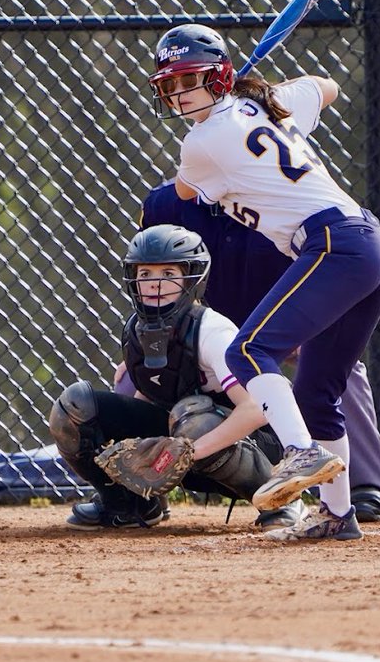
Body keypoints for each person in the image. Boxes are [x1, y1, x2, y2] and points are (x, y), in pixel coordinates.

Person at [148, 23, 380, 541]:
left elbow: (185, 192)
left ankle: (301, 452)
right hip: (370, 244)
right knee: (318, 391)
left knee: (246, 353)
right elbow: (326, 86)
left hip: (332, 242)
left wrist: (247, 104)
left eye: (191, 80)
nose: (180, 95)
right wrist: (265, 98)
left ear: (219, 78)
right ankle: (336, 515)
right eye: (170, 86)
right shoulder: (273, 106)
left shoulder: (201, 142)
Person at [134, 181, 380, 523]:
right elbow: (148, 275)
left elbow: (336, 268)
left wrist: (321, 316)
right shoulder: (169, 201)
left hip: (295, 316)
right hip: (207, 327)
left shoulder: (284, 193)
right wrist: (146, 344)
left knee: (334, 368)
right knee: (137, 373)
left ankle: (362, 484)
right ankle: (136, 495)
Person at [48, 223, 307, 531]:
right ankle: (131, 504)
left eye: (168, 275)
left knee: (193, 415)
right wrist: (141, 459)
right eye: (145, 275)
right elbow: (151, 399)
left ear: (191, 279)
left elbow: (256, 409)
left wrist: (185, 453)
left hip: (259, 448)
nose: (155, 285)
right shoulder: (136, 329)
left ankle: (281, 498)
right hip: (189, 441)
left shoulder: (212, 331)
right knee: (74, 407)